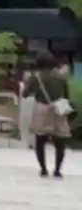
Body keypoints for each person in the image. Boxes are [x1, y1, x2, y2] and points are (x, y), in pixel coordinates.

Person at [24, 49, 71, 179]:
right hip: (58, 109)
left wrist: (28, 82)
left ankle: (43, 169)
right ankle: (57, 170)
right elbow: (67, 96)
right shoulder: (60, 77)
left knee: (40, 141)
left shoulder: (36, 77)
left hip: (42, 110)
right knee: (60, 141)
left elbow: (25, 94)